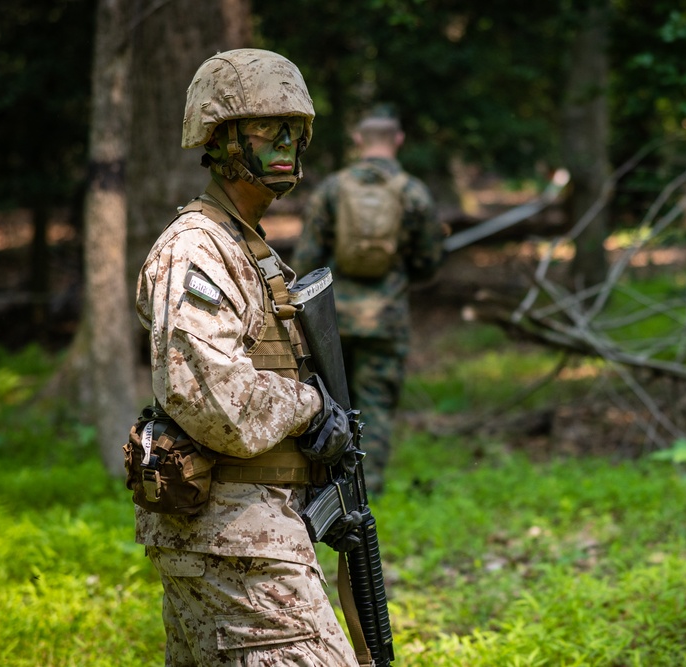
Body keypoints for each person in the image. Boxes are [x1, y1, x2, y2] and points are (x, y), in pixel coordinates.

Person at [134, 48, 361, 666]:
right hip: (234, 538)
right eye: (266, 128)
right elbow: (215, 400)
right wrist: (313, 405)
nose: (287, 142)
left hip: (249, 531)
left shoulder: (248, 247)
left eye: (297, 129)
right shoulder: (197, 250)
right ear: (221, 139)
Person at [291, 109, 444, 496]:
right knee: (375, 403)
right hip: (386, 318)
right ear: (399, 139)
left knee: (332, 404)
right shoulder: (413, 192)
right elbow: (428, 264)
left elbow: (307, 261)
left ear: (359, 140)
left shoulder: (332, 189)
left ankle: (330, 485)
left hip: (334, 322)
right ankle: (369, 486)